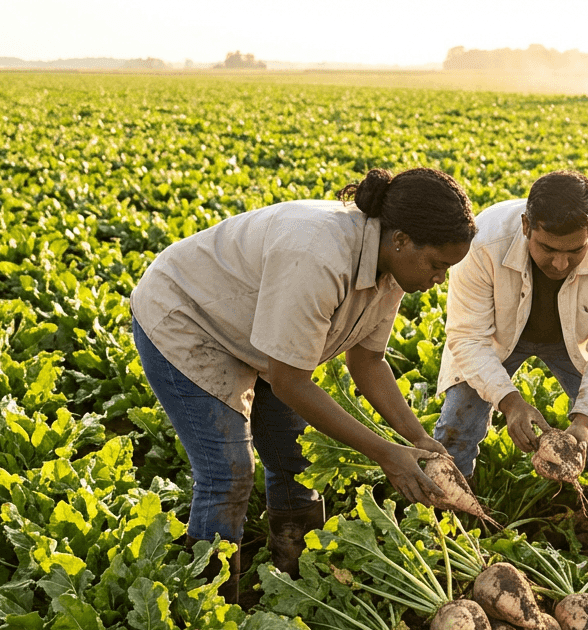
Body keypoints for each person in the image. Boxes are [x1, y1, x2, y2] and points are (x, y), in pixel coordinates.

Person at [130, 168, 476, 602]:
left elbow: (367, 361)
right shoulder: (318, 254)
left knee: (296, 460)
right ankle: (209, 612)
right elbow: (290, 382)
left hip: (257, 335)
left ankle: (296, 586)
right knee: (228, 474)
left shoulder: (392, 268)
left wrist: (417, 437)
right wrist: (386, 454)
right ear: (401, 240)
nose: (440, 279)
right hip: (188, 319)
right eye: (438, 265)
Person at [433, 170, 588, 596]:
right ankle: (451, 539)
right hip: (496, 338)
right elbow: (468, 338)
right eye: (548, 249)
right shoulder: (484, 241)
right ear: (527, 225)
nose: (560, 264)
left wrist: (583, 422)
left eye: (575, 251)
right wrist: (510, 402)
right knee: (457, 424)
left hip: (575, 342)